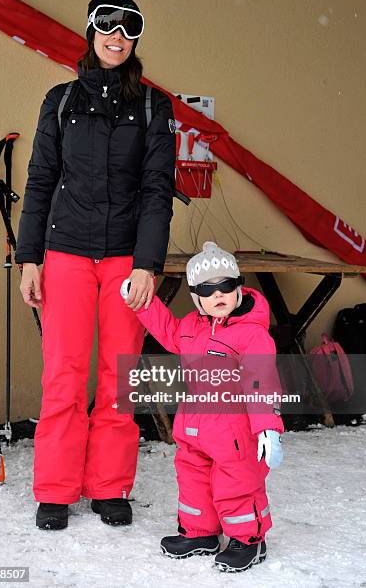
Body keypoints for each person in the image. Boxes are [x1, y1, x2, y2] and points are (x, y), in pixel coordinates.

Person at [15, 0, 176, 530]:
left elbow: (157, 190)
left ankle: (110, 486)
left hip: (126, 259)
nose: (117, 37)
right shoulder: (61, 100)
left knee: (118, 376)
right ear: (90, 30)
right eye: (107, 25)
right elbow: (39, 182)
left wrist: (148, 265)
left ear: (137, 38)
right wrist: (29, 257)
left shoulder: (154, 106)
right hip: (65, 253)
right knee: (63, 374)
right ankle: (56, 490)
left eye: (129, 28)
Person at [124, 242, 284, 572]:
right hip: (194, 428)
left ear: (238, 287)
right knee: (193, 481)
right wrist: (143, 303)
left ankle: (249, 540)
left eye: (226, 285)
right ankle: (200, 533)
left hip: (235, 433)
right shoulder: (192, 327)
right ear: (196, 296)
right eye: (208, 290)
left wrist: (268, 428)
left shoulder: (252, 336)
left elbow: (261, 382)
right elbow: (167, 329)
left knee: (237, 483)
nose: (218, 294)